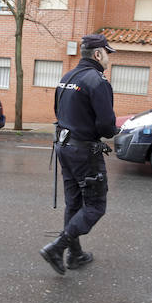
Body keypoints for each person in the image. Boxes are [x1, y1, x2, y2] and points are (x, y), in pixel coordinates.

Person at [39, 33, 118, 275]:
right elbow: (106, 127)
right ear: (97, 54)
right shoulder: (98, 81)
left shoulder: (67, 77)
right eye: (107, 53)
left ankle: (75, 254)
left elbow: (57, 111)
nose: (108, 59)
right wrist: (116, 129)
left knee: (73, 203)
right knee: (95, 206)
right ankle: (58, 247)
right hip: (84, 152)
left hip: (64, 147)